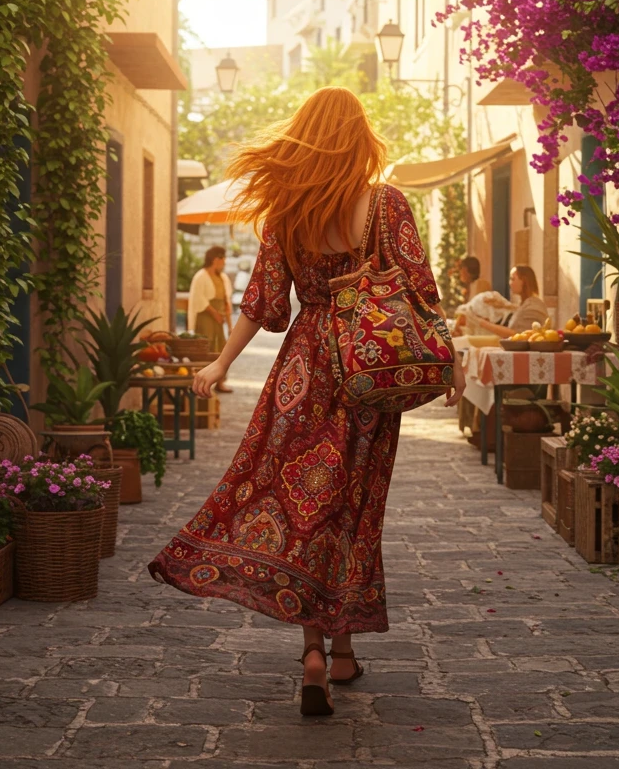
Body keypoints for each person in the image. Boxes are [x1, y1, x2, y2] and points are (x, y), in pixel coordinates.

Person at [147, 87, 466, 717]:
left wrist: (219, 361)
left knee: (301, 503)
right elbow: (420, 289)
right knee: (352, 506)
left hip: (303, 368)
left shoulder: (288, 214)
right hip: (368, 373)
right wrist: (448, 358)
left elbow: (264, 305)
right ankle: (342, 649)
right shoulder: (387, 204)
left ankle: (316, 653)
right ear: (359, 135)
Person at [187, 246, 234, 393]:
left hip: (219, 317)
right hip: (206, 316)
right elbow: (198, 298)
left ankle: (220, 382)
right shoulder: (201, 276)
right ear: (216, 260)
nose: (224, 263)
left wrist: (228, 318)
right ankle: (201, 383)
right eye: (223, 260)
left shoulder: (223, 277)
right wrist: (214, 313)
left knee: (221, 348)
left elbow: (226, 297)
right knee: (206, 347)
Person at [455, 265, 547, 338]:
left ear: (524, 281)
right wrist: (503, 305)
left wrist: (482, 323)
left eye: (513, 279)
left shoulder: (533, 306)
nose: (510, 283)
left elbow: (516, 334)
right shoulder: (526, 303)